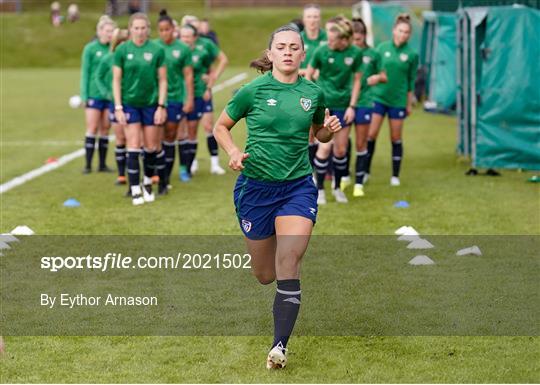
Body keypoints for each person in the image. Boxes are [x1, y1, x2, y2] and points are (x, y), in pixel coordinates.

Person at [213, 25, 341, 369]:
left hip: (297, 187)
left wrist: (329, 130)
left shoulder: (314, 93)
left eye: (294, 47)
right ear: (270, 55)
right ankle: (278, 324)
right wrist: (233, 151)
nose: (287, 52)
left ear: (302, 54)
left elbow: (319, 134)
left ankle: (279, 347)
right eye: (281, 47)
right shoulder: (251, 91)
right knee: (265, 274)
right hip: (255, 188)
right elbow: (219, 126)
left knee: (290, 261)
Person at [306, 16, 362, 204]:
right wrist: (315, 98)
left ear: (344, 40)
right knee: (324, 147)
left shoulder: (355, 53)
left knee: (340, 150)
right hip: (325, 107)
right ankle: (320, 189)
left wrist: (352, 106)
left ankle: (337, 188)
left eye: (332, 40)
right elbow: (308, 75)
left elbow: (356, 80)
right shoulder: (322, 51)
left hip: (344, 106)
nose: (328, 42)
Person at [113, 12, 167, 205]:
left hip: (151, 105)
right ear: (130, 29)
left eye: (143, 28)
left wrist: (161, 106)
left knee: (151, 147)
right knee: (133, 145)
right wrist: (118, 106)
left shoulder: (156, 50)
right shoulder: (122, 50)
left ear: (148, 30)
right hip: (129, 104)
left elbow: (162, 80)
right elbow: (116, 80)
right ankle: (135, 189)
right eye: (136, 28)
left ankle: (146, 183)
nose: (139, 31)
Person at [366, 13, 418, 186]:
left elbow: (411, 80)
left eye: (406, 32)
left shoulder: (411, 54)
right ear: (394, 30)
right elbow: (370, 70)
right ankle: (365, 171)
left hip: (398, 101)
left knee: (395, 138)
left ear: (409, 35)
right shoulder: (381, 48)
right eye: (400, 31)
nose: (403, 34)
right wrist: (374, 79)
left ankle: (395, 175)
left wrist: (409, 103)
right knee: (371, 135)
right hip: (379, 98)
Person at [182, 15, 229, 177]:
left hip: (203, 92)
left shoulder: (205, 45)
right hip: (185, 94)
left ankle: (214, 163)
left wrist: (211, 80)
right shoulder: (179, 47)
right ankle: (191, 163)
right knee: (190, 131)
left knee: (209, 126)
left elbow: (220, 61)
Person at [155, 10, 194, 192]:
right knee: (155, 138)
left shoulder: (183, 49)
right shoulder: (153, 47)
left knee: (170, 135)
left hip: (176, 98)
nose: (164, 33)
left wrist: (189, 98)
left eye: (167, 29)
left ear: (173, 29)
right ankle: (155, 172)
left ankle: (165, 178)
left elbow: (188, 76)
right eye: (161, 30)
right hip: (154, 99)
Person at [351, 18, 386, 197]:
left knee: (361, 142)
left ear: (364, 37)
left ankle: (360, 179)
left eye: (358, 39)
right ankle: (341, 177)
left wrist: (376, 78)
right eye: (353, 39)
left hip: (364, 101)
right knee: (340, 144)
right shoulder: (346, 54)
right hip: (345, 102)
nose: (355, 43)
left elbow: (384, 76)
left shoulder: (373, 54)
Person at [80, 15, 116, 174]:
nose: (109, 34)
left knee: (105, 128)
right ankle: (88, 164)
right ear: (99, 31)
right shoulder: (90, 49)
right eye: (107, 31)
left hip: (110, 96)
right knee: (92, 127)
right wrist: (84, 95)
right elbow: (85, 73)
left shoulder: (114, 50)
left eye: (112, 31)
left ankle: (102, 164)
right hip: (94, 95)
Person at [96, 28, 129, 185]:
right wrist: (108, 93)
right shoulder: (109, 58)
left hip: (132, 102)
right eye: (121, 42)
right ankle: (121, 174)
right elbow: (99, 77)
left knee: (134, 139)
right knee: (120, 138)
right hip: (116, 103)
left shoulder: (133, 58)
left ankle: (135, 172)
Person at [299, 4, 327, 165]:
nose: (312, 20)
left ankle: (330, 167)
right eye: (309, 16)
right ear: (304, 19)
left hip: (328, 90)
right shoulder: (299, 39)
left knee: (330, 128)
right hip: (305, 92)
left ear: (320, 19)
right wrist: (308, 72)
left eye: (315, 16)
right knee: (310, 132)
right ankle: (312, 170)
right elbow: (289, 68)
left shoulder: (327, 38)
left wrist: (322, 73)